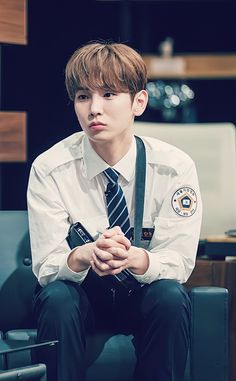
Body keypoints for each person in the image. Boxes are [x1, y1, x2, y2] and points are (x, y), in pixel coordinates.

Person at [27, 40, 202, 381]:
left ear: (139, 102)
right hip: (83, 298)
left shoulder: (174, 167)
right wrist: (83, 255)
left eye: (108, 95)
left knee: (170, 296)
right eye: (83, 96)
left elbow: (178, 262)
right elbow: (47, 267)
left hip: (142, 292)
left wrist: (136, 259)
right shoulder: (49, 168)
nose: (94, 109)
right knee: (57, 298)